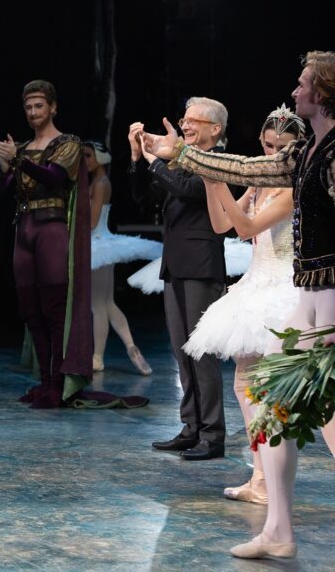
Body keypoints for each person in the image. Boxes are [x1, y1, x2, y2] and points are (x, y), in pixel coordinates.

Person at [140, 51, 335, 559]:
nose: (295, 92)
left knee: (329, 412)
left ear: (325, 92)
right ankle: (278, 528)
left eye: (302, 85)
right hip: (306, 297)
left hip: (327, 293)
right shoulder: (305, 155)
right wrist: (181, 154)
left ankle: (278, 524)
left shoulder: (333, 154)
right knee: (269, 406)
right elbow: (242, 170)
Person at [0, 81, 146, 409]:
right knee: (29, 308)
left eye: (39, 106)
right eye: (29, 107)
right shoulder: (21, 147)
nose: (33, 113)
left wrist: (18, 158)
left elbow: (54, 178)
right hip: (24, 229)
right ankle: (46, 382)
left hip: (51, 228)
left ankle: (60, 383)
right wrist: (6, 166)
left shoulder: (69, 143)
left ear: (53, 108)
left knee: (54, 308)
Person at [180, 105, 304, 507]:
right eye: (267, 145)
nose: (272, 154)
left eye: (280, 148)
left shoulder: (289, 186)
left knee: (271, 395)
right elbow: (222, 226)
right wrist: (214, 180)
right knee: (244, 386)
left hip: (283, 290)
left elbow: (247, 227)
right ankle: (260, 476)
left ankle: (271, 480)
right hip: (255, 283)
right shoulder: (261, 182)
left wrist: (218, 177)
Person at [128, 97, 228, 460]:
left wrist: (158, 160)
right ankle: (191, 427)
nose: (185, 126)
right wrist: (140, 160)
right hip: (175, 264)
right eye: (184, 120)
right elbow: (145, 196)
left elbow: (188, 191)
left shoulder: (216, 161)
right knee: (181, 351)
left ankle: (213, 435)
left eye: (193, 121)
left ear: (214, 128)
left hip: (201, 265)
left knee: (202, 353)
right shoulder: (181, 162)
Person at [83, 141, 158, 375]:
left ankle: (97, 357)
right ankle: (130, 346)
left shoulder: (100, 183)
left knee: (98, 305)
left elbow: (93, 221)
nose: (83, 161)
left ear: (100, 158)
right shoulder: (98, 182)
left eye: (87, 156)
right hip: (102, 244)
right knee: (107, 303)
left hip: (97, 244)